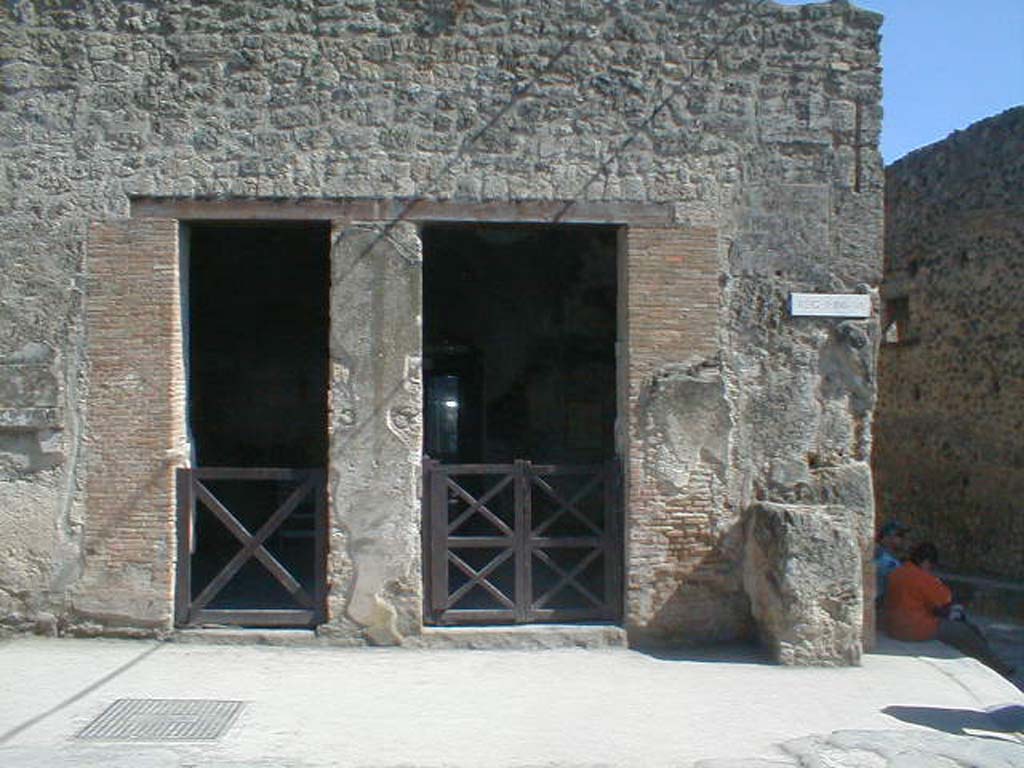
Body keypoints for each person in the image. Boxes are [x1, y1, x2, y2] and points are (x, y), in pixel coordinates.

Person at [884, 542, 1015, 678]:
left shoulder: (898, 572)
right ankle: (998, 666)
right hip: (915, 629)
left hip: (894, 627)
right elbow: (945, 598)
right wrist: (935, 581)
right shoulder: (921, 577)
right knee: (965, 631)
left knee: (957, 629)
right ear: (926, 562)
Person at [873, 519, 909, 605]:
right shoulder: (888, 562)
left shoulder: (878, 554)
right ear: (887, 537)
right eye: (900, 535)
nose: (903, 539)